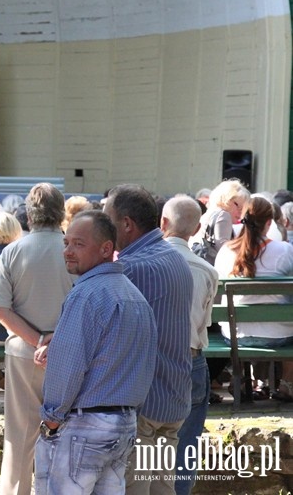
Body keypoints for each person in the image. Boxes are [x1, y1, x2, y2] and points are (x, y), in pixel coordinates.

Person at [34, 211, 157, 495]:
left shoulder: (85, 295)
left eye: (78, 244)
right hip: (123, 422)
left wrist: (52, 419)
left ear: (106, 249)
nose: (67, 251)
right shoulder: (135, 297)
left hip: (85, 424)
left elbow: (68, 369)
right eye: (66, 243)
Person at [104, 184, 192, 495]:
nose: (104, 227)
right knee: (161, 490)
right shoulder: (176, 258)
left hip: (143, 407)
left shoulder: (130, 268)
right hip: (172, 399)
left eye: (107, 219)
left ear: (126, 224)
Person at [0, 183, 73, 495]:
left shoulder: (13, 252)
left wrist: (38, 340)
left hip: (24, 352)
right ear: (62, 212)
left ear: (28, 214)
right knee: (69, 434)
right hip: (70, 354)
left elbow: (0, 308)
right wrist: (57, 341)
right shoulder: (75, 248)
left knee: (19, 437)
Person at [161, 195, 219, 495]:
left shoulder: (144, 264)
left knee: (146, 444)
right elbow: (203, 324)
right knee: (186, 445)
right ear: (197, 229)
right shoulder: (207, 271)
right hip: (191, 358)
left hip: (154, 361)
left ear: (162, 223)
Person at [213, 197, 293, 401]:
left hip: (235, 335)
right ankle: (286, 382)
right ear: (269, 223)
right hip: (279, 335)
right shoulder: (284, 251)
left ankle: (238, 380)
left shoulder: (226, 252)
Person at [189, 179, 250, 265]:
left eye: (243, 208)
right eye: (237, 205)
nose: (241, 212)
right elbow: (224, 250)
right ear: (226, 199)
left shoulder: (210, 213)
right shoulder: (223, 215)